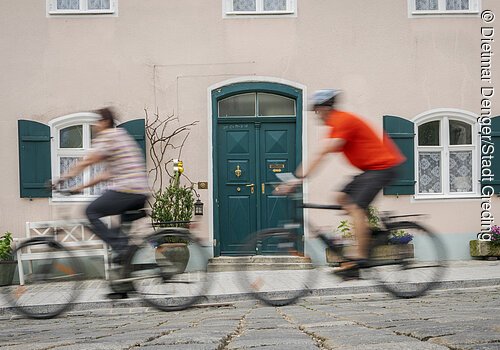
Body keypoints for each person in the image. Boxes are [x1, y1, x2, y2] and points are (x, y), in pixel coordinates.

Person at [279, 90, 405, 277]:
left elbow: (323, 153)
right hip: (371, 170)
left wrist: (298, 179)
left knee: (354, 207)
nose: (316, 114)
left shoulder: (342, 121)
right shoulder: (336, 124)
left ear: (325, 108)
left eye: (317, 110)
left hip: (383, 167)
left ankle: (359, 258)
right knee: (341, 197)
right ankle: (367, 236)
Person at [56, 107, 149, 265]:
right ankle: (125, 276)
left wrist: (63, 178)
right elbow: (105, 175)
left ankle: (121, 248)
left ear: (105, 122)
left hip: (128, 190)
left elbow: (89, 160)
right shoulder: (121, 136)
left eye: (97, 122)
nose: (94, 126)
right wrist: (78, 188)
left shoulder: (109, 136)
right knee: (116, 232)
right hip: (138, 193)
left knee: (91, 211)